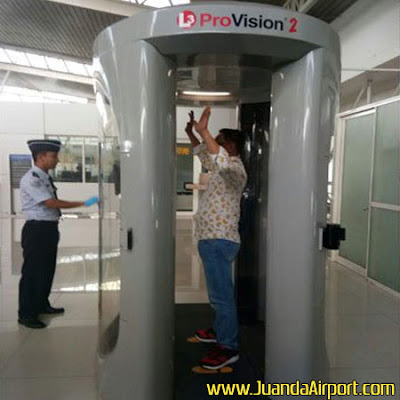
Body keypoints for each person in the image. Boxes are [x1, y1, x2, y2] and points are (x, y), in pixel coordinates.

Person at [185, 107, 247, 369]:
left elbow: (217, 157)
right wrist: (193, 134)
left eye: (219, 141)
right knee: (217, 294)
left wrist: (204, 131)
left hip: (219, 241)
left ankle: (228, 346)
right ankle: (221, 331)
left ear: (229, 145)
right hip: (212, 239)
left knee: (222, 296)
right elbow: (205, 154)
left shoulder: (235, 170)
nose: (214, 144)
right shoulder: (222, 168)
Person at [18, 139, 99, 329]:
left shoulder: (44, 177)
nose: (57, 160)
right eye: (54, 156)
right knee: (33, 272)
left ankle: (41, 304)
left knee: (46, 269)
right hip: (37, 230)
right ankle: (27, 314)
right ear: (41, 157)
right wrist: (83, 203)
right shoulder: (31, 179)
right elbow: (51, 203)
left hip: (48, 229)